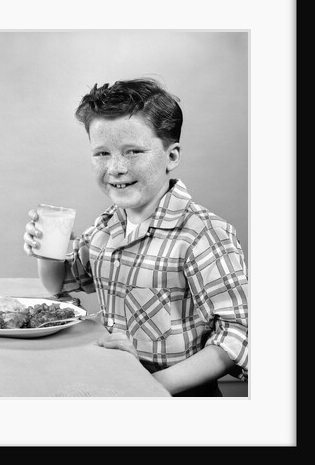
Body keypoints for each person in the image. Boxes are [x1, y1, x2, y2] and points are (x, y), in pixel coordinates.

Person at [23, 78, 248, 397]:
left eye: (133, 152)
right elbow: (58, 283)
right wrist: (48, 249)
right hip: (117, 385)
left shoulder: (203, 233)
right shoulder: (106, 226)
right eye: (101, 153)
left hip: (177, 395)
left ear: (171, 157)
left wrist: (148, 388)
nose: (115, 167)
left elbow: (238, 337)